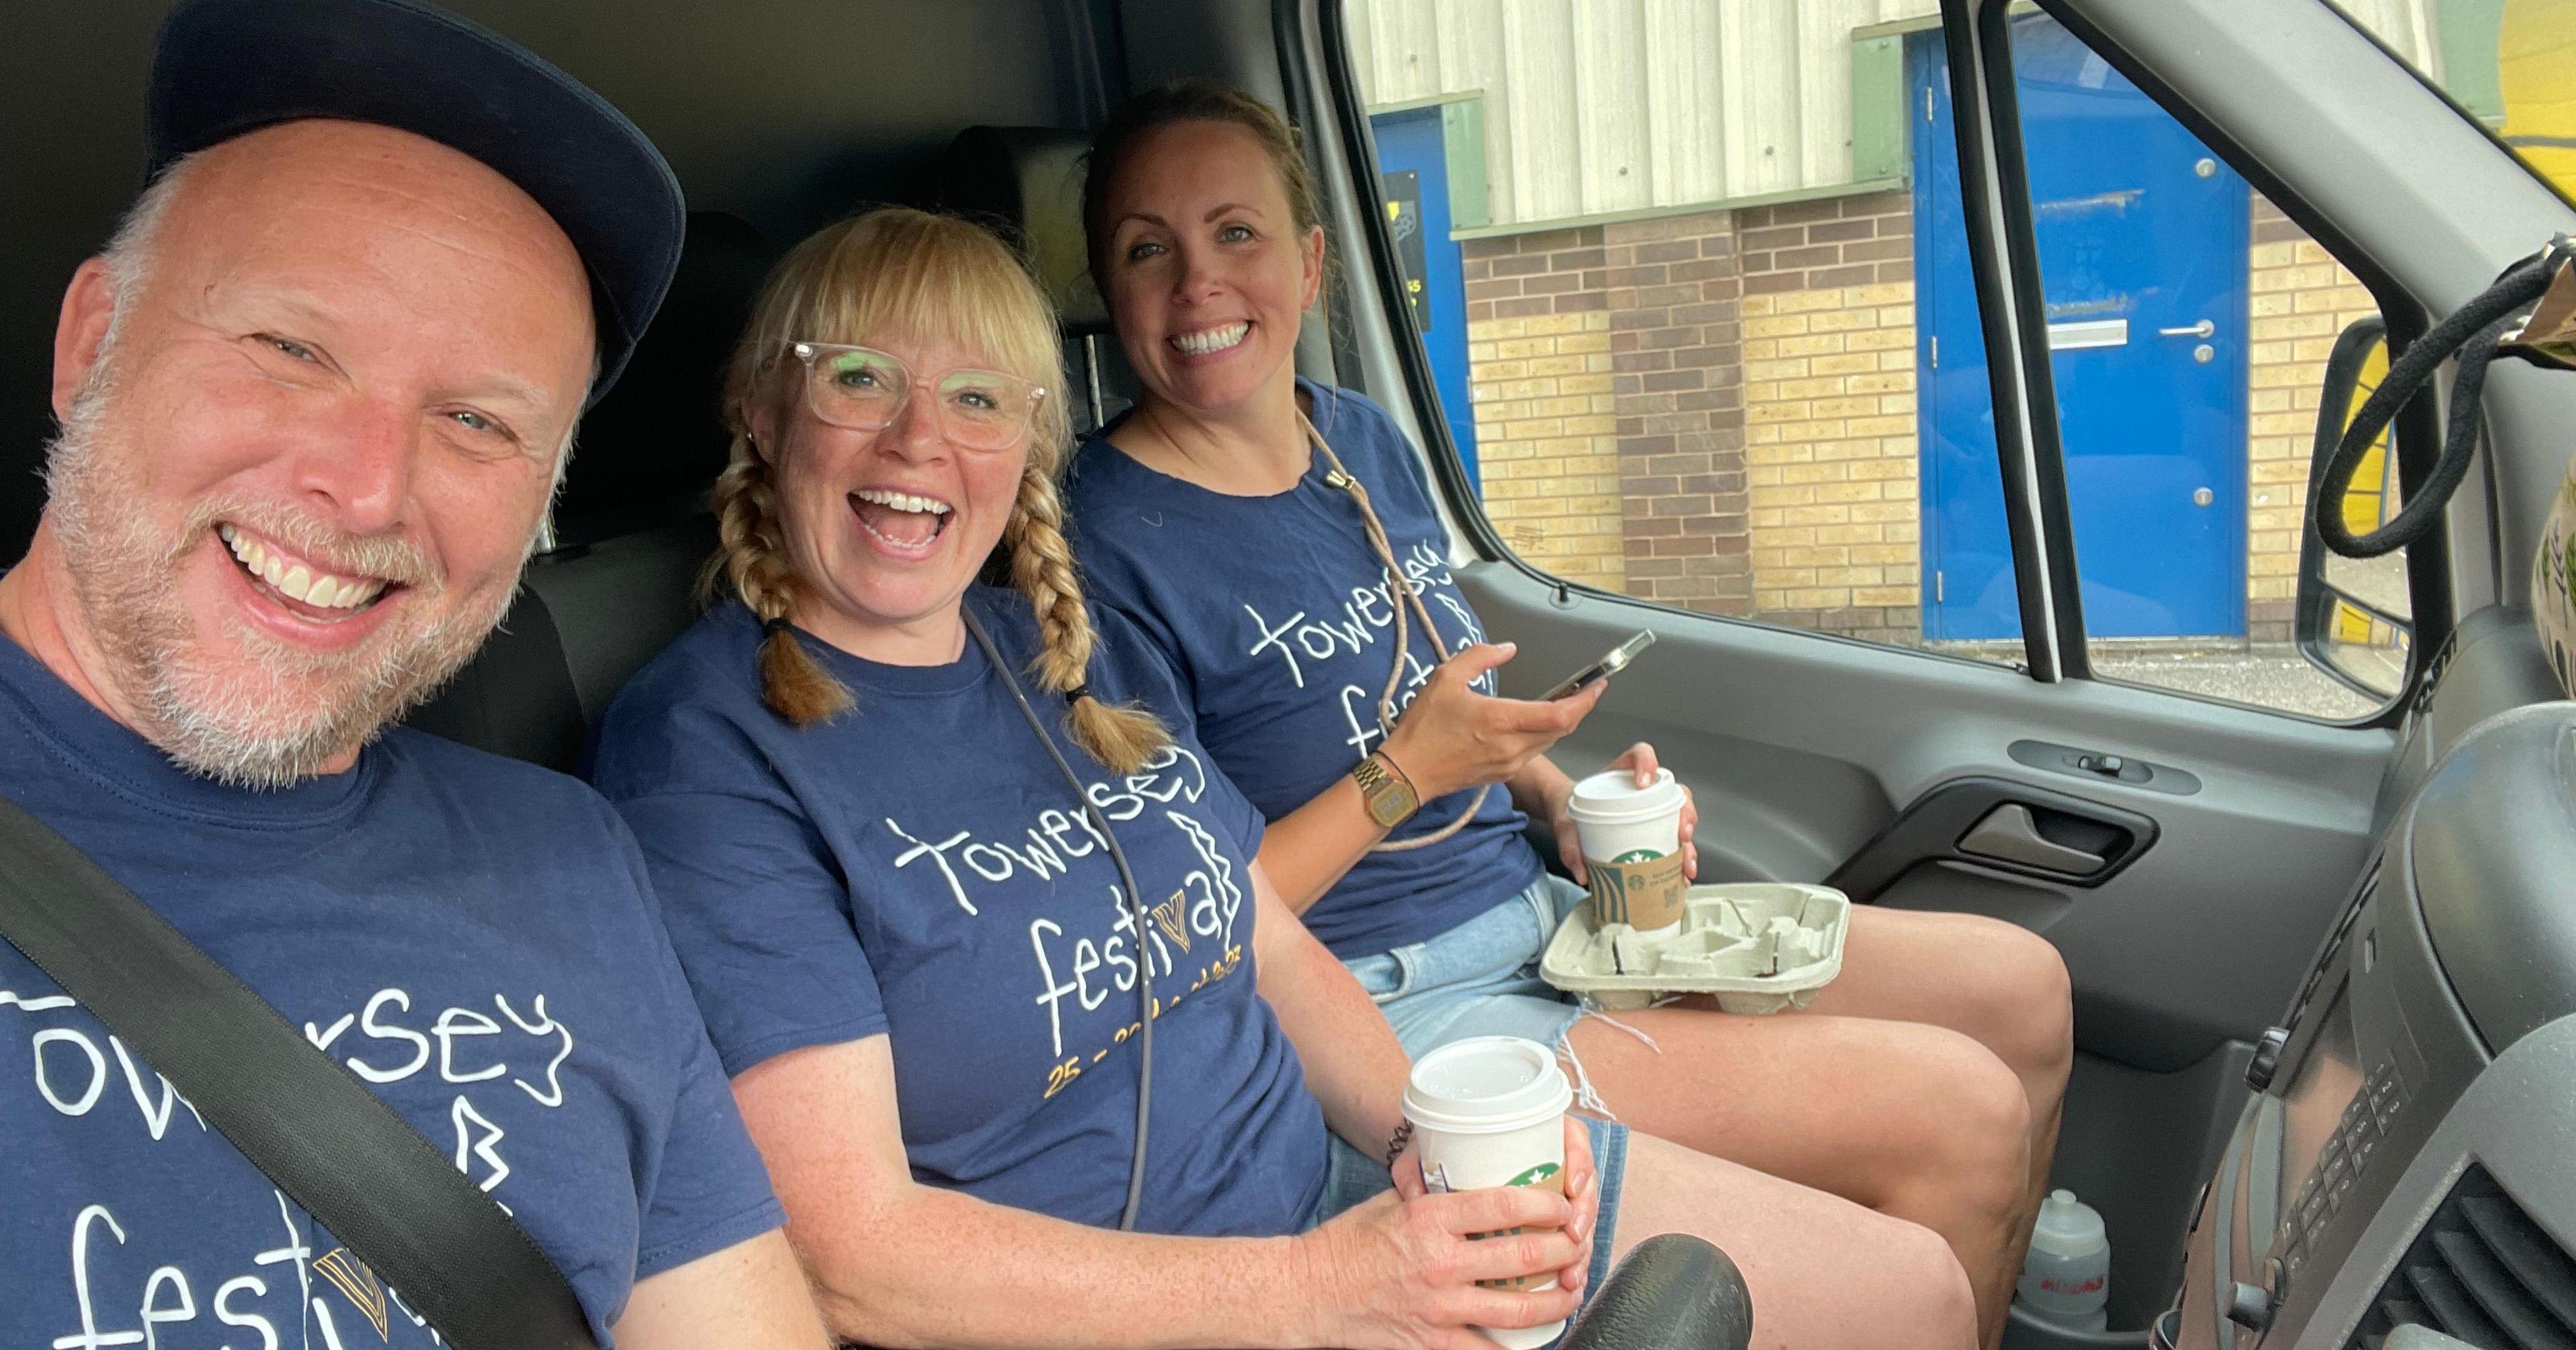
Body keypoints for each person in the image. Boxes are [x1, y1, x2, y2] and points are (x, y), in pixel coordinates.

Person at [587, 206, 1978, 1350]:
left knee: (1913, 1292)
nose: (916, 443)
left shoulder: (1067, 655)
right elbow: (854, 1259)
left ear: (1023, 447)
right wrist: (1319, 1295)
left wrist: (1421, 1142)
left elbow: (1263, 940)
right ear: (761, 410)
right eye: (859, 380)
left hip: (1338, 1199)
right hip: (1158, 1307)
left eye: (975, 397)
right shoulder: (709, 752)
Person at [1064, 79, 2076, 1347]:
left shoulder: (1358, 445)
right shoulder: (1100, 544)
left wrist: (1562, 799)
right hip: (1389, 1000)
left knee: (2023, 989)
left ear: (1314, 263)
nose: (1198, 281)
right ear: (1111, 290)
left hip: (1547, 920)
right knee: (1960, 1116)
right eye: (1147, 249)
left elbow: (1454, 705)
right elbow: (1200, 917)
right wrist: (1404, 777)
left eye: (1237, 233)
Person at [0, 0, 824, 1347]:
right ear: (93, 344)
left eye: (480, 423)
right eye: (290, 347)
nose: (369, 489)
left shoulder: (571, 859)